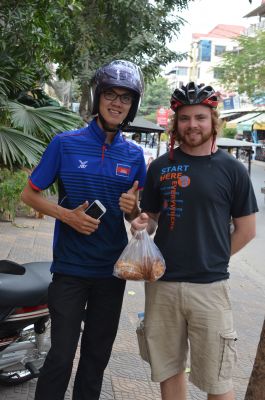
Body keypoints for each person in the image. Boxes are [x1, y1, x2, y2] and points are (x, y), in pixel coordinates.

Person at [21, 59, 146, 400]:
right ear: (97, 97)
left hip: (111, 273)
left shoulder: (135, 156)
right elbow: (29, 194)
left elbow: (139, 220)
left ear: (132, 105)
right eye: (110, 93)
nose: (117, 102)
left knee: (96, 358)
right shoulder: (65, 143)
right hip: (70, 269)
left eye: (125, 97)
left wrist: (133, 210)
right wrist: (67, 216)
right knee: (61, 356)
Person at [131, 82, 258, 400]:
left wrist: (214, 258)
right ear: (176, 122)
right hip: (162, 285)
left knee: (217, 379)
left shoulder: (233, 170)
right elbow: (150, 221)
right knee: (169, 371)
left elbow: (246, 230)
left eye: (200, 117)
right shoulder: (160, 167)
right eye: (185, 118)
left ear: (213, 120)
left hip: (210, 289)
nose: (192, 125)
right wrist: (141, 223)